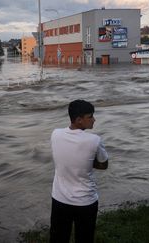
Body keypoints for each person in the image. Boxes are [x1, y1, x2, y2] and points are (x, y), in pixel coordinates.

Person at [50, 99, 109, 243]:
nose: (94, 120)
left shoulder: (55, 134)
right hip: (85, 201)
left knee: (58, 237)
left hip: (59, 198)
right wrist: (86, 162)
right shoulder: (94, 140)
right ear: (78, 120)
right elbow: (104, 165)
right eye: (90, 117)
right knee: (84, 238)